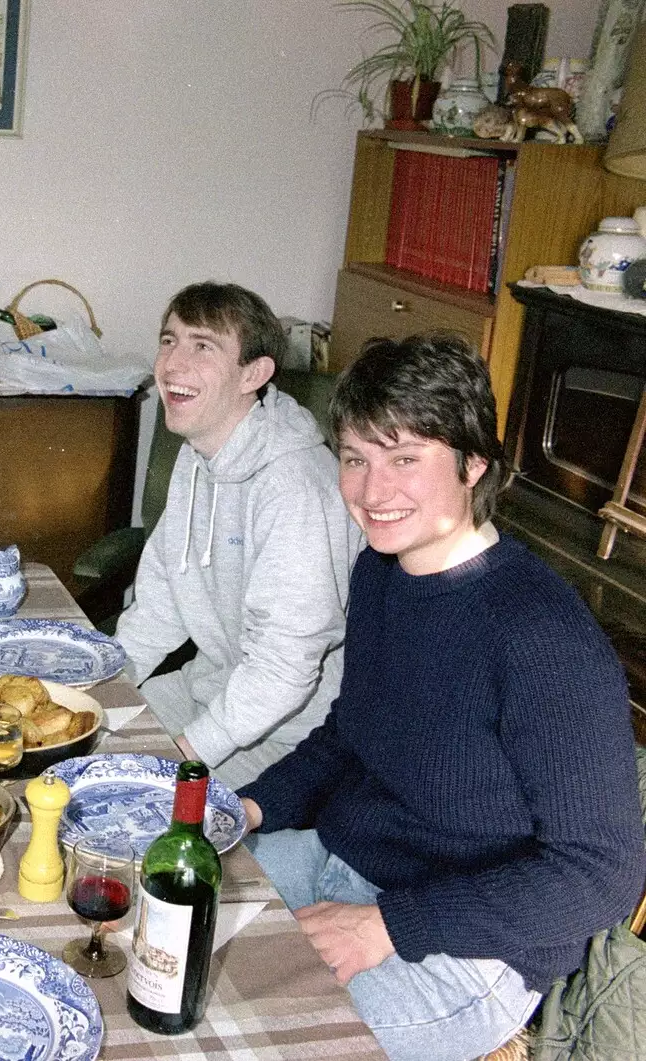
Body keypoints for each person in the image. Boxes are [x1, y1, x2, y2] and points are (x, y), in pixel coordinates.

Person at [238, 334, 645, 1061]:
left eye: (404, 458)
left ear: (473, 462)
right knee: (172, 920)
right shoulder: (382, 574)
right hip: (342, 859)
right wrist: (249, 806)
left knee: (268, 1042)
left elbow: (602, 874)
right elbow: (348, 734)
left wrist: (390, 924)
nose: (370, 490)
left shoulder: (541, 638)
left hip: (472, 946)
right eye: (356, 458)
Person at [114, 281, 361, 787]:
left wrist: (185, 754)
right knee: (75, 745)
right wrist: (97, 693)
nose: (172, 364)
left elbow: (284, 671)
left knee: (134, 797)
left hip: (292, 731)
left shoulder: (294, 487)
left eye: (201, 346)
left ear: (254, 373)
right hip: (210, 688)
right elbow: (157, 611)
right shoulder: (197, 454)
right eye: (168, 340)